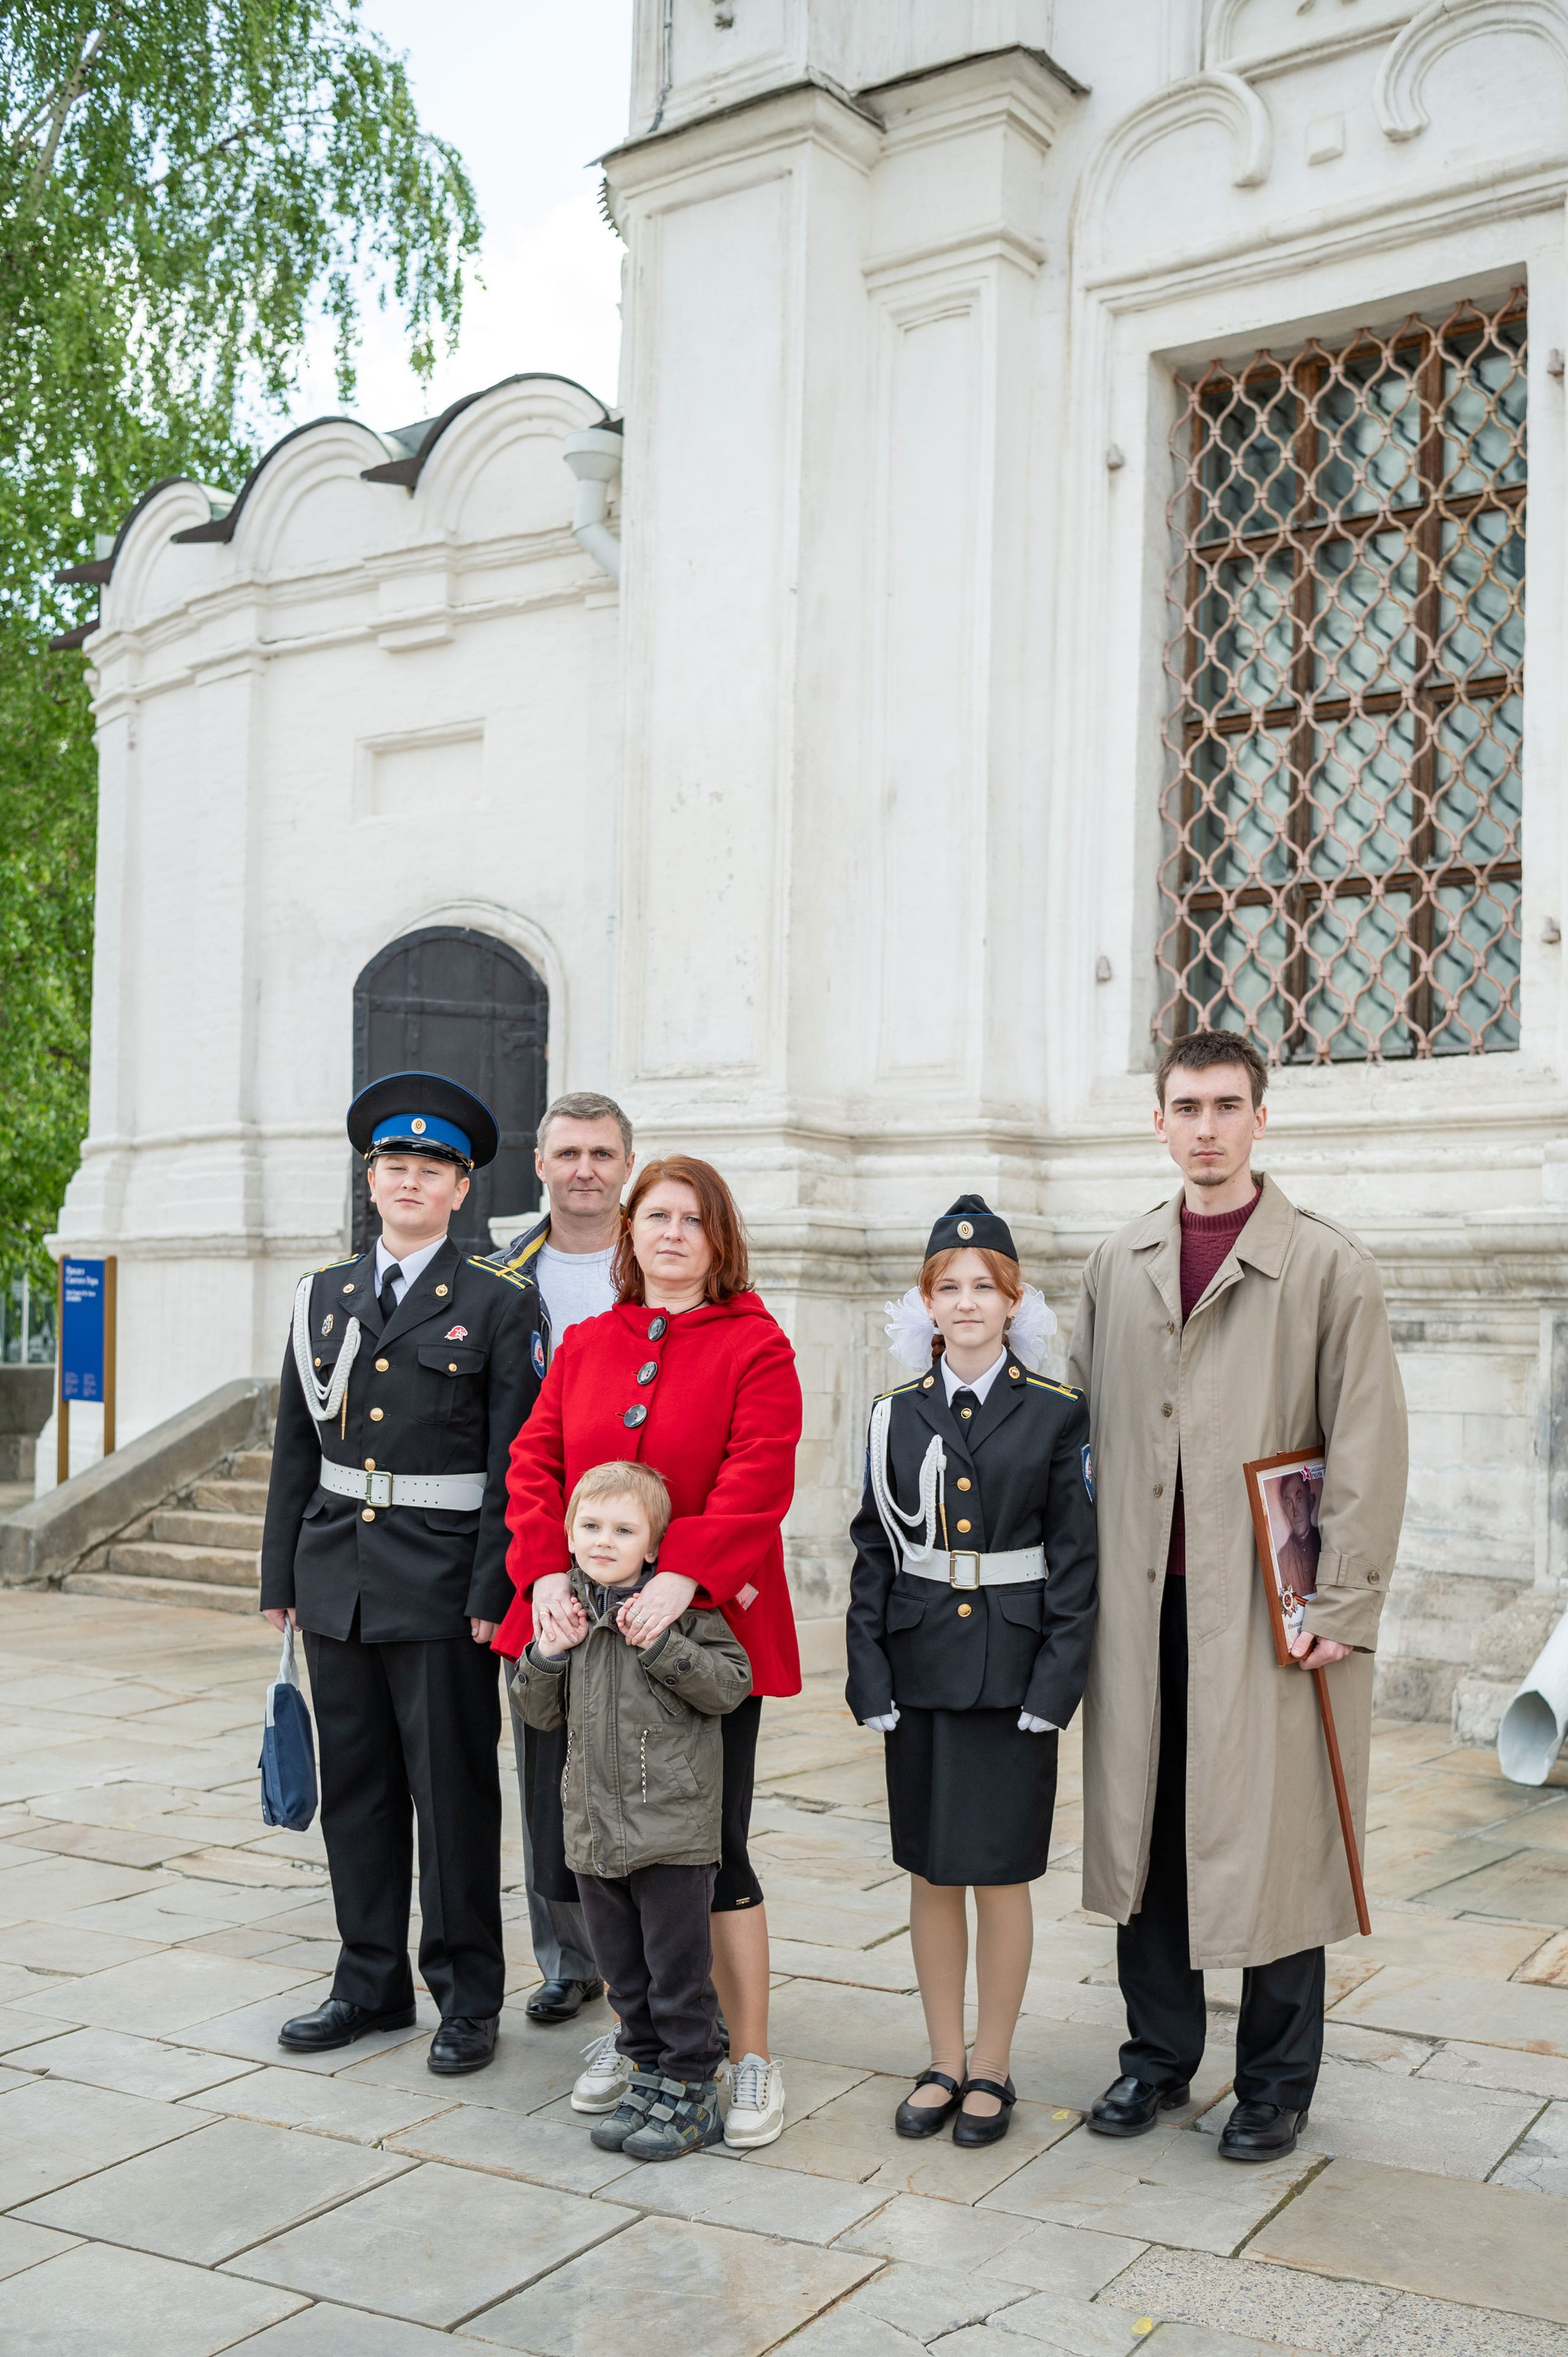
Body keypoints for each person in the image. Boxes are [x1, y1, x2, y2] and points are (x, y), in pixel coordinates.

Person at [1069, 1029, 1408, 2161]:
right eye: (1186, 1106)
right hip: (1140, 1605)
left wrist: (1342, 1605)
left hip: (1271, 1613)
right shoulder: (1117, 1263)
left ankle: (1274, 2080)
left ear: (1262, 1117)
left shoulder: (1325, 1265)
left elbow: (1366, 1443)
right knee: (1148, 1831)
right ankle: (1156, 2059)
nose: (1205, 1126)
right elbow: (1082, 1430)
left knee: (1275, 1837)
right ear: (1157, 1121)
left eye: (1226, 1104)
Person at [497, 1155, 802, 2149]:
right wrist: (544, 1569)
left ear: (720, 1239)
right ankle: (644, 2041)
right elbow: (535, 1461)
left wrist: (688, 1574)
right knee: (598, 1845)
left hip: (700, 1631)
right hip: (580, 1636)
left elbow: (760, 1472)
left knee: (711, 1849)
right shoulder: (586, 1342)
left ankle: (740, 2049)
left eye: (692, 1219)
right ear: (630, 1234)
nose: (672, 1233)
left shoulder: (758, 1343)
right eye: (656, 1216)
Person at [260, 1073, 547, 2076]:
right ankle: (367, 1980)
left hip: (441, 1585)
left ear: (462, 1189)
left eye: (432, 1168)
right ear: (370, 1178)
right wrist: (280, 1576)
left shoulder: (498, 1303)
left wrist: (492, 1590)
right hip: (339, 1574)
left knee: (454, 1796)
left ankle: (468, 1994)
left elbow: (517, 1462)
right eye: (395, 1165)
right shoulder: (323, 1296)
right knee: (361, 1793)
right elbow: (297, 1446)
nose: (411, 1179)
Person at [846, 1197, 1099, 2147]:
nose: (965, 1302)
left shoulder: (1057, 1414)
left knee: (999, 1874)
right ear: (925, 1304)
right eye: (947, 1288)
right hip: (918, 1669)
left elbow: (1078, 1563)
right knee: (929, 1871)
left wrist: (1056, 1685)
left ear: (1013, 1301)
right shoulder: (892, 1417)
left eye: (983, 1288)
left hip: (1012, 1673)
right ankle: (942, 2057)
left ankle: (992, 2064)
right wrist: (866, 1674)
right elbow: (873, 1550)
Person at [510, 1459, 752, 2160]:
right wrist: (547, 1653)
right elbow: (534, 1710)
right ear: (568, 1534)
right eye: (590, 1526)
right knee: (625, 1971)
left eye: (623, 1529)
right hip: (593, 1830)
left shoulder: (685, 1614)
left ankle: (692, 2087)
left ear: (654, 1545)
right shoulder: (568, 1614)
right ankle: (646, 2074)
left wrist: (664, 1647)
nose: (604, 1540)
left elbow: (730, 1685)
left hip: (672, 1829)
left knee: (677, 1970)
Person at [491, 1091, 636, 2030]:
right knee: (545, 1769)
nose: (585, 1168)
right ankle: (565, 1957)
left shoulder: (664, 1262)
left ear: (627, 1165)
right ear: (539, 1164)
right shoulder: (501, 1279)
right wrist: (532, 1562)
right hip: (542, 1549)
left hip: (641, 1555)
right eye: (568, 1152)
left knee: (640, 1766)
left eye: (603, 1153)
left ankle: (646, 1958)